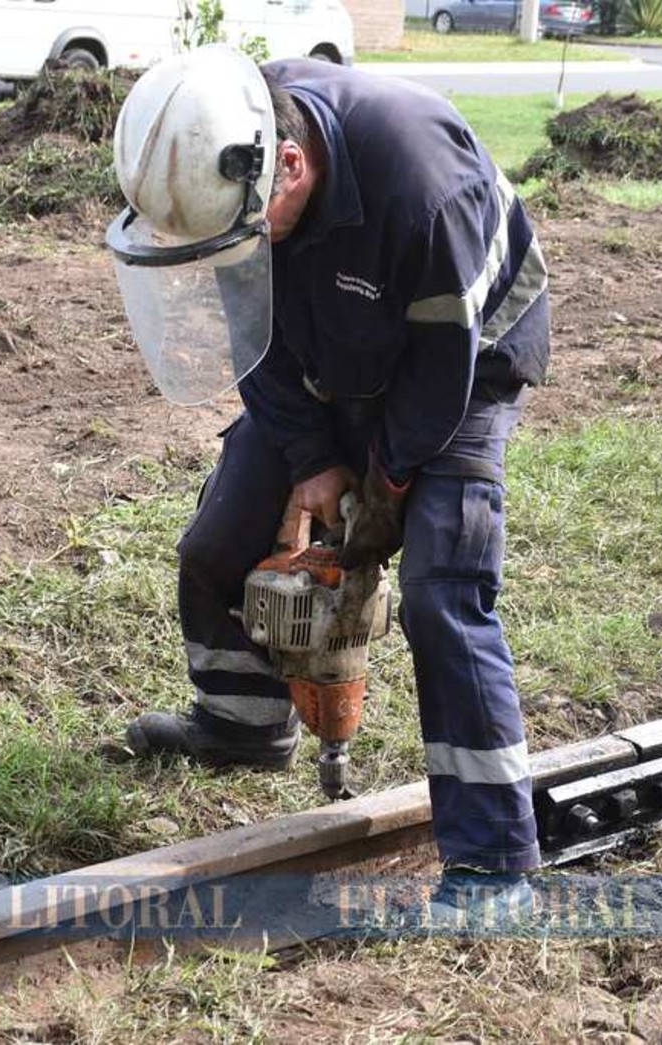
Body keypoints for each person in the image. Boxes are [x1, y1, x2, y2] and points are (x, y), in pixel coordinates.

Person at [104, 45, 551, 921]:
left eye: (244, 233)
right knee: (220, 543)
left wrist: (382, 489)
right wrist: (311, 459)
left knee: (440, 591)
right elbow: (252, 338)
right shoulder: (233, 141)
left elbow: (439, 370)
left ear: (293, 167)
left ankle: (496, 865)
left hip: (465, 362)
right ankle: (241, 723)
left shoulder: (423, 185)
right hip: (327, 352)